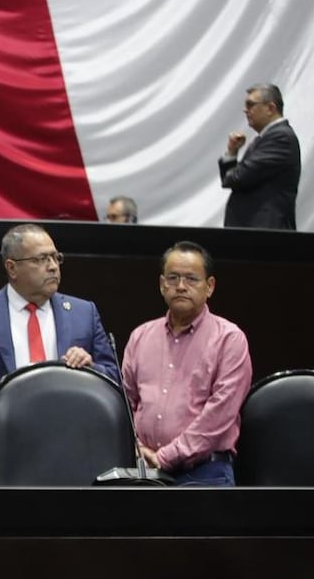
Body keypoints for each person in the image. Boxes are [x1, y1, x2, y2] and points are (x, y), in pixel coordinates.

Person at [122, 241, 252, 486]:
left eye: (191, 279)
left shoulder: (229, 339)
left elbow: (219, 415)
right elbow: (125, 404)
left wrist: (165, 457)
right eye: (173, 278)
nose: (181, 286)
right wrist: (137, 448)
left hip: (204, 473)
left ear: (209, 286)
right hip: (144, 469)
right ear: (162, 284)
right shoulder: (140, 336)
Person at [0, 223, 118, 387]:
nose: (53, 267)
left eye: (56, 257)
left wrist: (91, 368)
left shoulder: (84, 313)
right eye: (41, 259)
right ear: (12, 268)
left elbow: (114, 378)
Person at [219, 83, 301, 229]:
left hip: (265, 232)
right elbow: (230, 180)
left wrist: (232, 173)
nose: (245, 110)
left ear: (270, 108)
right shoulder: (268, 138)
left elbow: (235, 179)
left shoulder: (280, 137)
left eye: (250, 105)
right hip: (255, 230)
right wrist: (232, 151)